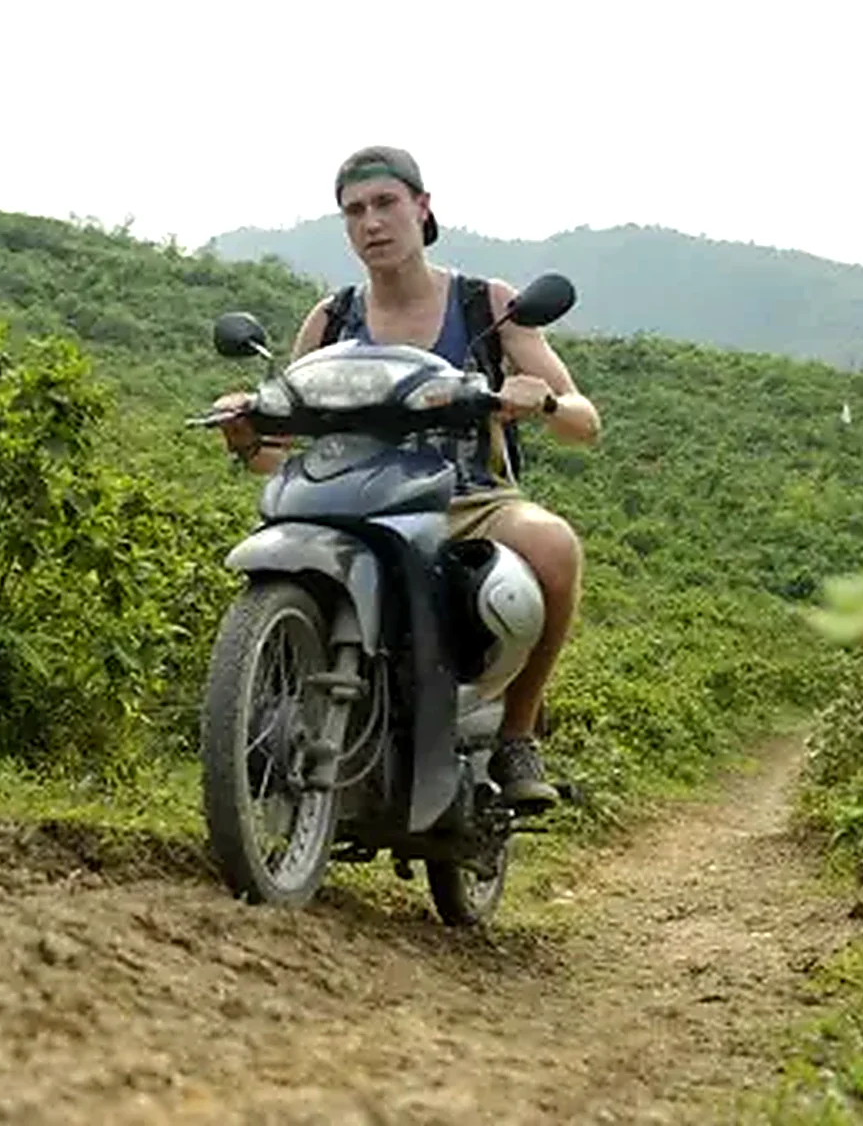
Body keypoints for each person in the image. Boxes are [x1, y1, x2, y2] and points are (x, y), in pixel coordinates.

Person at [214, 146, 602, 812]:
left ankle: (516, 733)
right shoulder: (332, 318)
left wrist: (537, 401)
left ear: (422, 208)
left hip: (467, 497)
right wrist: (247, 431)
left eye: (386, 203)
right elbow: (284, 447)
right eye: (355, 211)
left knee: (555, 548)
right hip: (348, 494)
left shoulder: (489, 305)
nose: (372, 222)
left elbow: (584, 420)